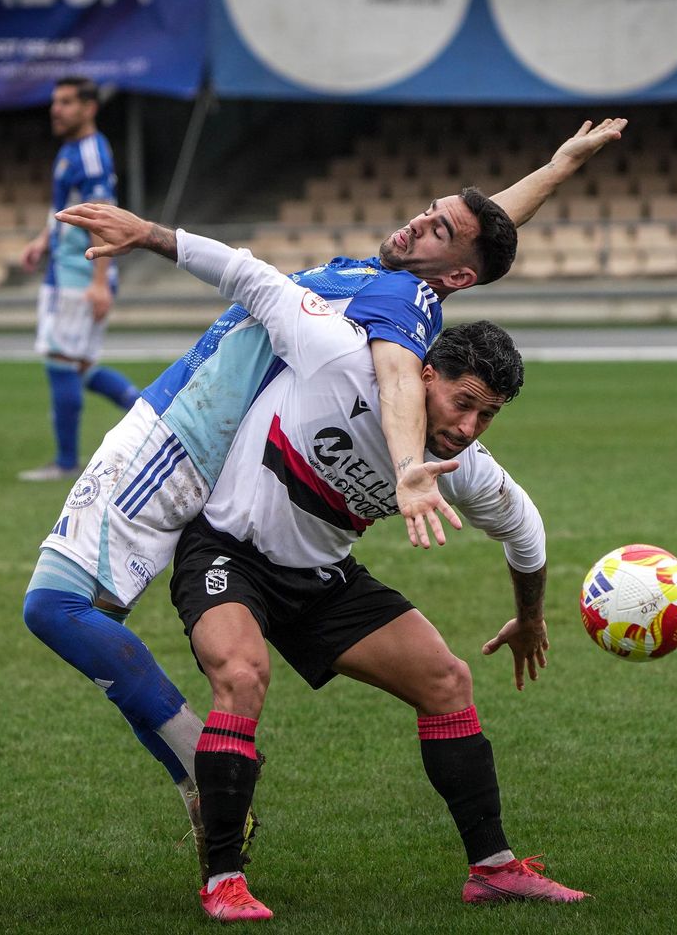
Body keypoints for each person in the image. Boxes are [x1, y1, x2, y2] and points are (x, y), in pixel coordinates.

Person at [22, 121, 625, 876]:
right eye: (432, 211)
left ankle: (200, 772)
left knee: (55, 605)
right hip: (221, 469)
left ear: (452, 280)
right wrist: (557, 168)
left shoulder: (404, 314)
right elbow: (481, 231)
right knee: (92, 619)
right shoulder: (404, 277)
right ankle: (202, 778)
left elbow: (400, 373)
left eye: (438, 227)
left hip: (185, 432)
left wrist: (410, 466)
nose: (420, 221)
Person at [128, 222, 576, 920]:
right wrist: (147, 234)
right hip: (226, 552)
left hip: (317, 578)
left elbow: (527, 530)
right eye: (463, 403)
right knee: (242, 676)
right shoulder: (340, 354)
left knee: (447, 679)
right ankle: (223, 878)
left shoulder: (457, 466)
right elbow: (252, 277)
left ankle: (492, 868)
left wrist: (532, 613)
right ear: (426, 371)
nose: (468, 428)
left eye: (487, 416)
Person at [16, 76, 142, 481]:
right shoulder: (74, 150)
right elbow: (71, 210)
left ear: (89, 108)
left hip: (78, 275)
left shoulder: (89, 154)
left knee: (60, 359)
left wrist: (100, 281)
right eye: (56, 101)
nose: (57, 109)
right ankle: (159, 425)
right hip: (71, 268)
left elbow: (102, 220)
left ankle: (66, 462)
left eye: (67, 102)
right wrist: (43, 240)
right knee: (84, 367)